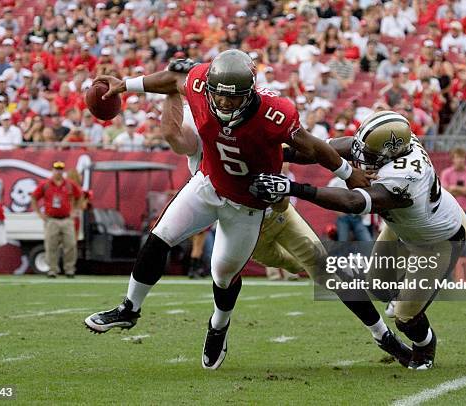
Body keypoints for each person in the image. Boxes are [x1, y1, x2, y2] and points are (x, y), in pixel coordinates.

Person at [84, 50, 393, 371]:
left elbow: (312, 145)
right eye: (220, 96)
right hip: (208, 184)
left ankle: (218, 324)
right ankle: (129, 309)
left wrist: (346, 172)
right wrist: (127, 85)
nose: (226, 104)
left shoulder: (275, 114)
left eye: (234, 99)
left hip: (248, 206)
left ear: (250, 93)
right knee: (160, 236)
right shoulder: (201, 84)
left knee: (223, 274)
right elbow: (175, 80)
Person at [159, 91, 412, 366]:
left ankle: (382, 335)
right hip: (245, 231)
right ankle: (218, 326)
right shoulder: (207, 139)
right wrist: (168, 90)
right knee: (251, 271)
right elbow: (176, 137)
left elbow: (307, 156)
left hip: (279, 217)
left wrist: (284, 190)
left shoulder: (257, 128)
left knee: (326, 271)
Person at [251, 111, 466, 370]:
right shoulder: (390, 145)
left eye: (368, 153)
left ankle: (425, 348)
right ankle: (403, 293)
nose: (361, 156)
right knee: (377, 286)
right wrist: (277, 152)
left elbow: (354, 202)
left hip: (439, 240)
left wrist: (292, 187)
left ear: (390, 151)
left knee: (406, 319)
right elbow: (324, 150)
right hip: (404, 229)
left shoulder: (406, 177)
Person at [31, 161, 82, 278]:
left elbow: (79, 196)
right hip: (51, 219)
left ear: (63, 171)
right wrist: (39, 214)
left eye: (60, 169)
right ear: (52, 170)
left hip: (66, 219)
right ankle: (52, 269)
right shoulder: (46, 184)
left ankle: (69, 269)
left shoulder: (69, 184)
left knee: (71, 244)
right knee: (51, 245)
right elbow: (34, 198)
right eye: (56, 169)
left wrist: (75, 211)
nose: (58, 171)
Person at [440, 148, 466, 256]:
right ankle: (451, 271)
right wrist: (465, 190)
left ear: (465, 159)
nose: (460, 160)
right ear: (453, 159)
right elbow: (444, 192)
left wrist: (454, 188)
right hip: (450, 213)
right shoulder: (446, 173)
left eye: (462, 158)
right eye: (457, 157)